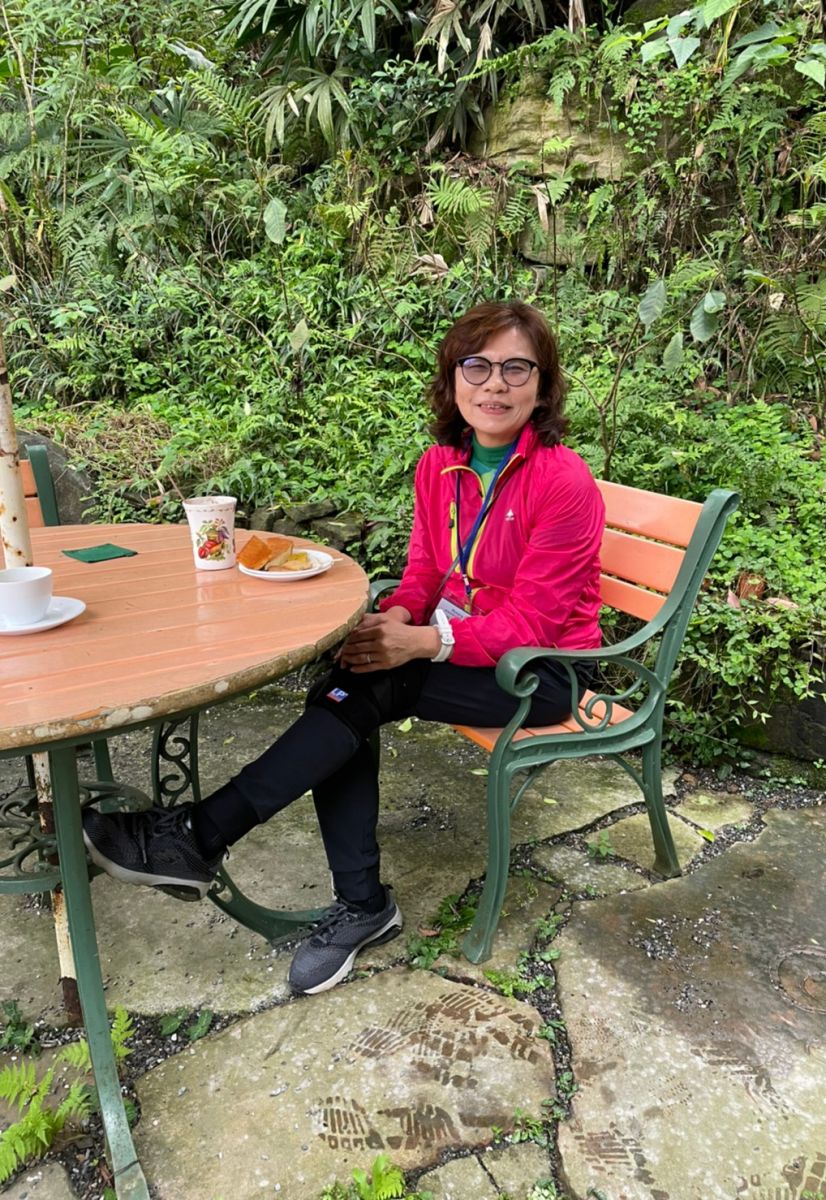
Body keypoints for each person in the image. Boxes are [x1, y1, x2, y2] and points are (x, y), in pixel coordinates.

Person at [82, 300, 605, 996]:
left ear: (542, 387)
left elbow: (533, 625)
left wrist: (419, 643)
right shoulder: (440, 464)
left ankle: (215, 843)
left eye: (517, 369)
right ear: (453, 379)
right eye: (476, 366)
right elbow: (425, 571)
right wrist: (391, 622)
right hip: (466, 645)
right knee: (350, 679)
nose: (494, 385)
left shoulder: (562, 482)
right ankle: (296, 879)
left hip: (544, 673)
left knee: (370, 688)